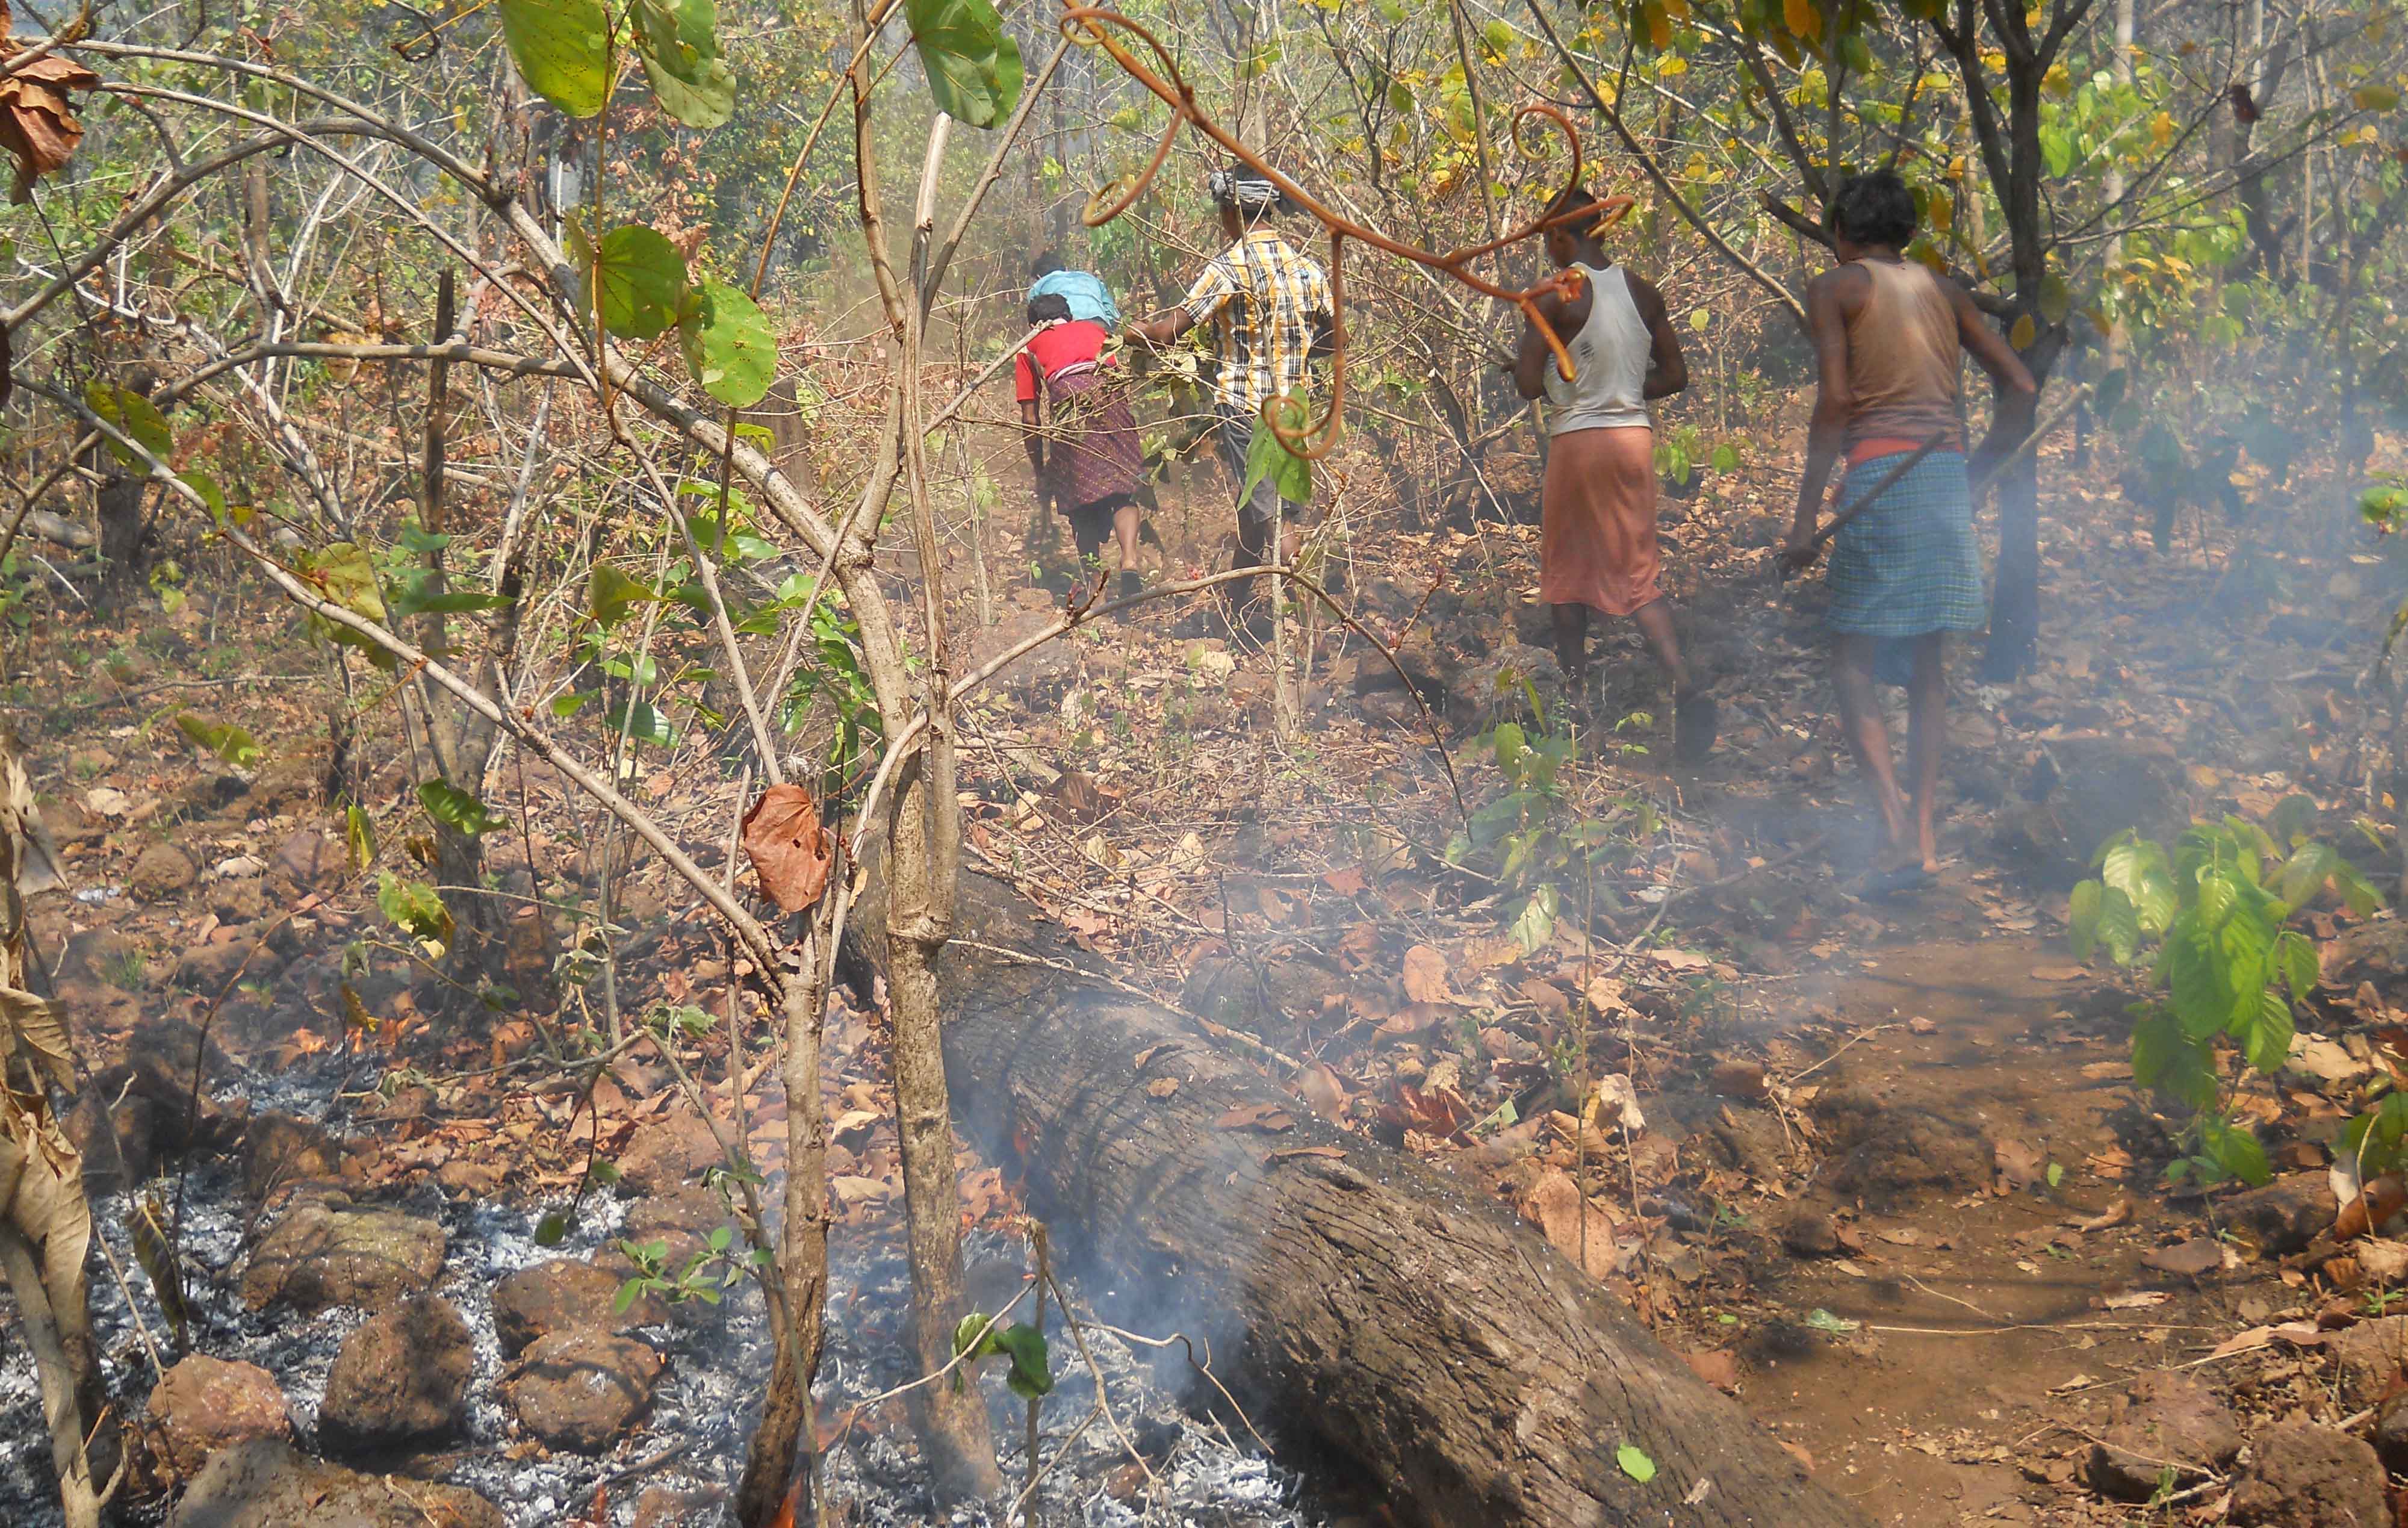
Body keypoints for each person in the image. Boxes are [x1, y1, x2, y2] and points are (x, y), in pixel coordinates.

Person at [1779, 170, 2037, 894]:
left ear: (1840, 232)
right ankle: (1922, 834)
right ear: (1908, 234)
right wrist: (1977, 474)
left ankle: (1892, 823)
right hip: (1940, 477)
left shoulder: (1837, 288)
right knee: (1928, 669)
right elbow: (2020, 387)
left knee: (1852, 661)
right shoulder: (1945, 292)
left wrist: (1803, 522)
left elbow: (1835, 402)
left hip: (1880, 480)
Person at [1511, 185, 1713, 760]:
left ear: (1561, 233)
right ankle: (1684, 682)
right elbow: (1674, 375)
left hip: (1580, 444)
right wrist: (1620, 391)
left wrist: (1547, 372)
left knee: (1567, 574)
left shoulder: (1555, 294)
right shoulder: (1643, 292)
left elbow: (1529, 385)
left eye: (1547, 235)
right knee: (1638, 571)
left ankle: (1578, 716)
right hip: (1634, 441)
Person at [1127, 167, 1333, 633]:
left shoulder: (1228, 268)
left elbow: (1172, 330)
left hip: (1245, 409)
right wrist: (1296, 351)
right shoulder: (1308, 269)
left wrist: (1131, 333)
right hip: (1294, 408)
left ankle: (1308, 628)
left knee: (1275, 520)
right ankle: (1234, 611)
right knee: (1256, 510)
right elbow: (1336, 338)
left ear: (1232, 212)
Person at [1016, 290, 1144, 601]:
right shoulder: (1095, 330)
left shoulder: (1027, 348)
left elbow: (1030, 418)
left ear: (1035, 325)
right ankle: (1129, 560)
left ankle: (1092, 581)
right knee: (1121, 487)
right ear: (1070, 316)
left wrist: (1041, 470)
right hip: (1113, 401)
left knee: (1078, 497)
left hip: (1069, 406)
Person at [1028, 250, 1119, 328]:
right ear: (1066, 269)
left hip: (1064, 328)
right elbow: (1112, 313)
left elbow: (1035, 323)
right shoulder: (1090, 278)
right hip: (1099, 324)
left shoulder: (1038, 287)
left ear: (1039, 277)